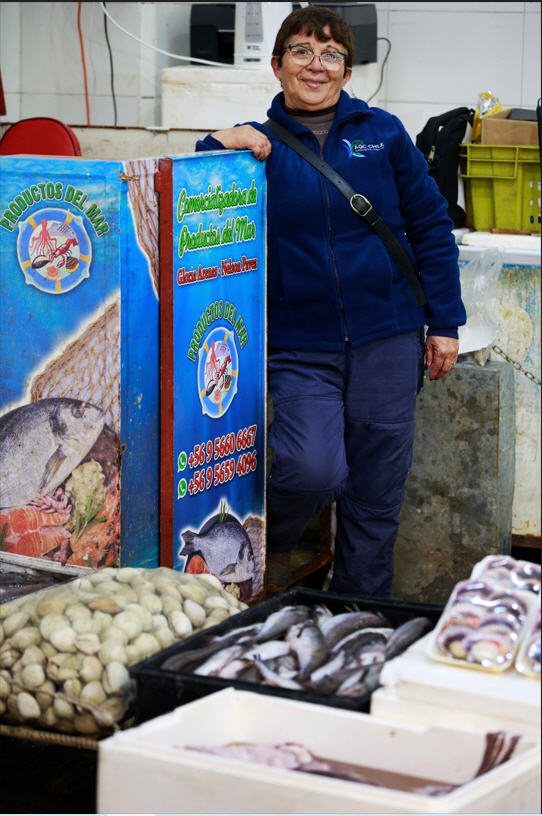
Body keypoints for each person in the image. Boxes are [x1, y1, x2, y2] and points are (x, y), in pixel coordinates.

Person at [196, 5, 466, 598]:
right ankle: (266, 550)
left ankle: (356, 615)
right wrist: (213, 142)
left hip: (388, 337)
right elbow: (200, 201)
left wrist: (445, 321)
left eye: (331, 55)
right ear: (277, 65)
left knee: (375, 491)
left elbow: (430, 227)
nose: (316, 65)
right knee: (311, 468)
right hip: (299, 343)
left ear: (347, 72)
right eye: (302, 51)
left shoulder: (384, 134)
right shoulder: (254, 148)